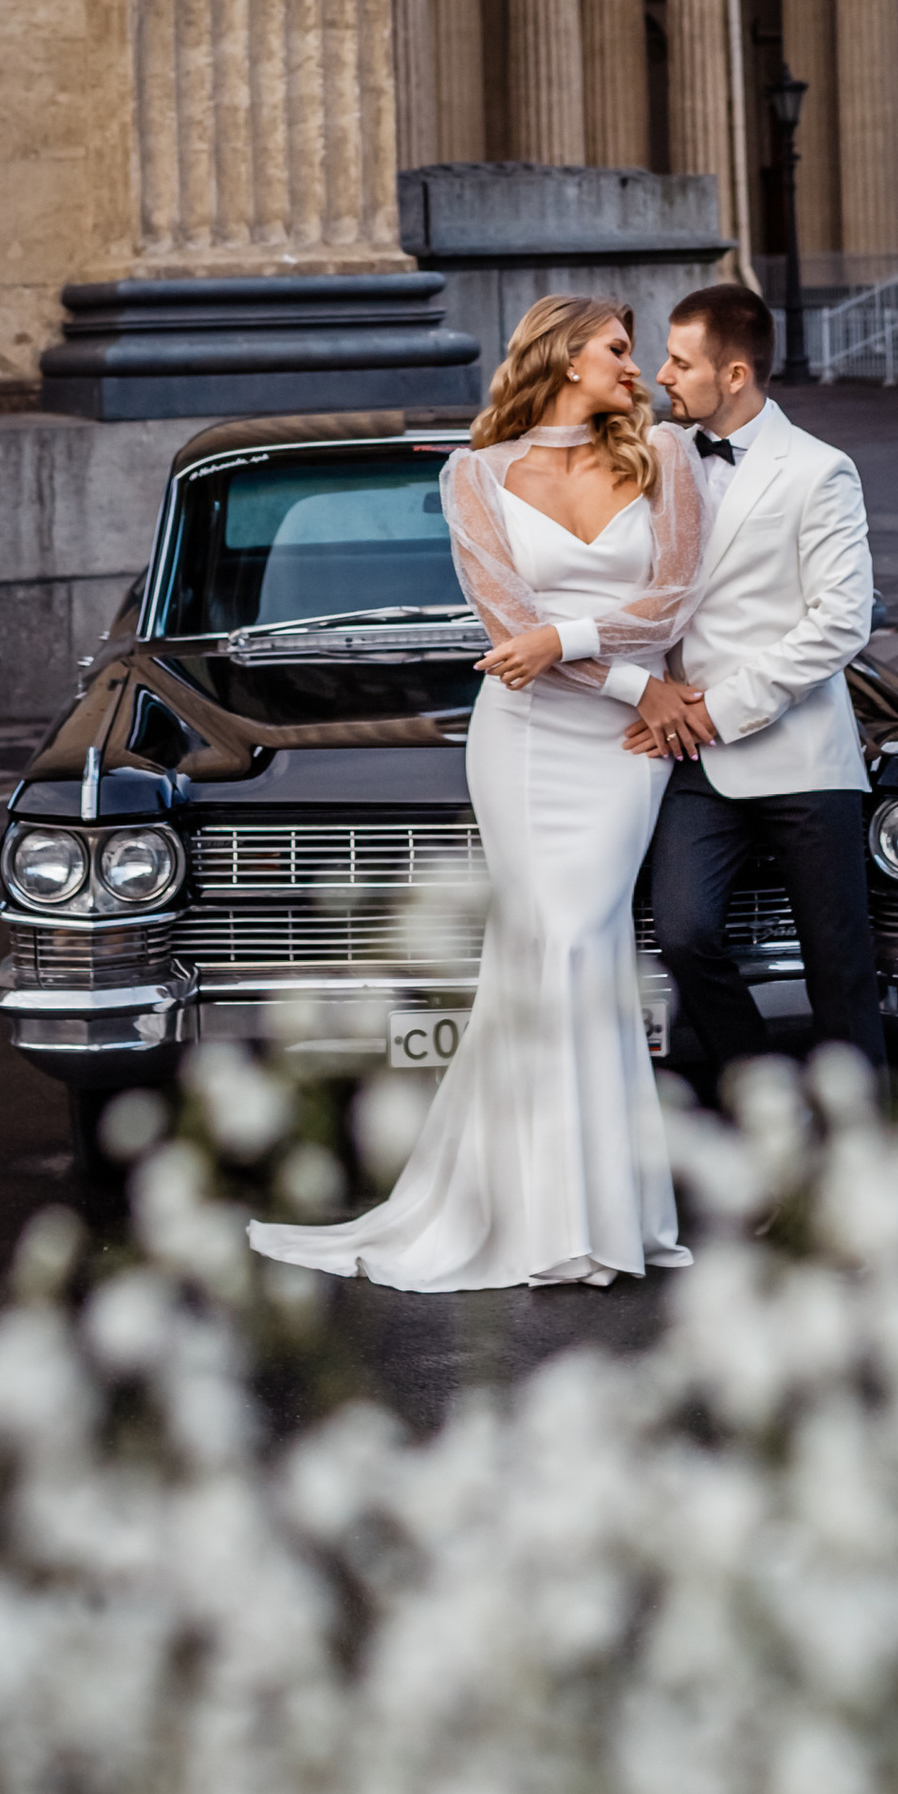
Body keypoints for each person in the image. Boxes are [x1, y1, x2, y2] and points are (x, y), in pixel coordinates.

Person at [246, 294, 710, 1292]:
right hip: (536, 739)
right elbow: (511, 634)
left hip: (623, 747)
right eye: (618, 349)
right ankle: (546, 1220)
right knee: (548, 942)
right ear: (562, 356)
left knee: (587, 941)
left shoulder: (663, 457)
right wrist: (634, 677)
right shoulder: (474, 475)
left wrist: (578, 641)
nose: (638, 367)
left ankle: (602, 1214)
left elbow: (671, 599)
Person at [634, 280, 883, 1105]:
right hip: (697, 762)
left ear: (734, 373)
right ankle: (766, 1100)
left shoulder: (820, 470)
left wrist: (718, 706)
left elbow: (840, 624)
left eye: (680, 359)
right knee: (684, 929)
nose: (662, 373)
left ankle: (863, 1162)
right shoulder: (659, 458)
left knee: (839, 968)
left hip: (801, 753)